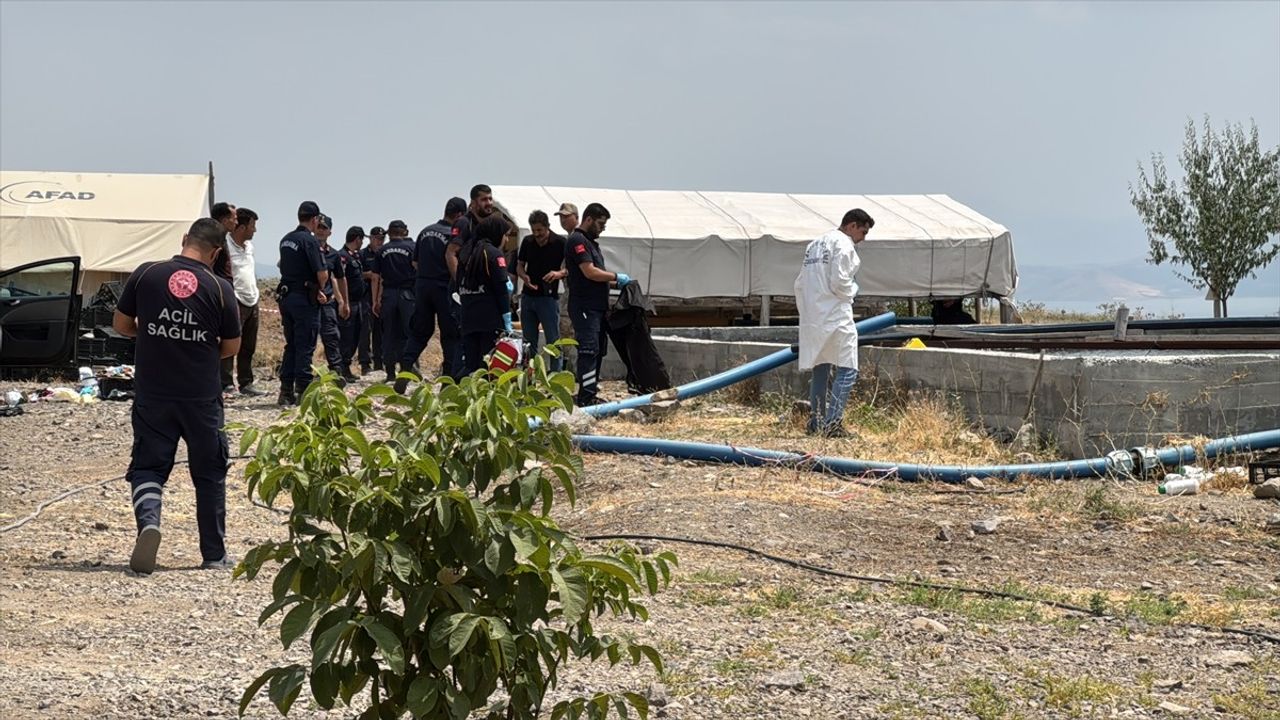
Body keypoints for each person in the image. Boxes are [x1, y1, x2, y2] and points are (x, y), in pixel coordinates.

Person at [111, 217, 241, 575]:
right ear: (215, 253)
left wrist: (155, 336)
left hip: (154, 391)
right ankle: (214, 555)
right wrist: (197, 346)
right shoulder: (219, 288)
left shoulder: (146, 273)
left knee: (149, 467)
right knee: (210, 472)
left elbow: (121, 325)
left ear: (185, 239)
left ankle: (149, 522)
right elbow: (231, 346)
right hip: (200, 396)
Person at [794, 208, 874, 438]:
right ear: (851, 226)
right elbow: (840, 281)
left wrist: (808, 311)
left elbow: (800, 283)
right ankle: (833, 423)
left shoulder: (815, 245)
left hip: (814, 316)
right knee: (848, 368)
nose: (863, 238)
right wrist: (853, 292)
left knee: (821, 366)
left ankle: (816, 422)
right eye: (863, 231)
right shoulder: (844, 245)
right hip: (835, 314)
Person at [565, 203, 629, 406]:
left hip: (597, 308)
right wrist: (616, 276)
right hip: (585, 307)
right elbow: (590, 272)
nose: (603, 228)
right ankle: (585, 397)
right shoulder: (578, 240)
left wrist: (618, 282)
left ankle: (590, 392)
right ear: (589, 219)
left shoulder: (592, 244)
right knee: (588, 350)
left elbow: (597, 276)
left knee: (598, 350)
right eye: (601, 223)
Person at [400, 197, 466, 385]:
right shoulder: (452, 235)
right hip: (444, 287)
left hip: (422, 286)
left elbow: (414, 262)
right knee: (450, 334)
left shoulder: (425, 232)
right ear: (459, 215)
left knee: (419, 331)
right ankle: (447, 380)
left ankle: (405, 367)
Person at [275, 201, 329, 406]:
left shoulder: (286, 239)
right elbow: (322, 273)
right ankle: (304, 391)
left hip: (287, 297)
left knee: (292, 345)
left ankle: (285, 389)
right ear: (315, 220)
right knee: (305, 344)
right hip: (304, 298)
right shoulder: (310, 241)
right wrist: (320, 289)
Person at [456, 215, 512, 375]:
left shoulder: (466, 252)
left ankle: (459, 393)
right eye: (506, 235)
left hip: (468, 317)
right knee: (487, 366)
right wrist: (506, 316)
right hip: (489, 320)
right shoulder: (494, 254)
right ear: (496, 233)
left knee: (470, 364)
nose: (507, 240)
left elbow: (458, 282)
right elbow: (501, 290)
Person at [219, 207, 265, 395]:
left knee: (248, 344)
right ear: (241, 227)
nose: (254, 230)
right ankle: (226, 382)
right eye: (252, 226)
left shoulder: (250, 247)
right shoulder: (225, 246)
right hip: (235, 299)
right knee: (231, 342)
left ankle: (246, 382)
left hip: (252, 298)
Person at [517, 210, 567, 370]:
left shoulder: (560, 243)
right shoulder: (527, 242)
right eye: (534, 230)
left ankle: (555, 378)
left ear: (548, 227)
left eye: (540, 230)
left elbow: (570, 268)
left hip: (548, 298)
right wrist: (524, 276)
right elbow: (519, 266)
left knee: (553, 341)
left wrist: (558, 274)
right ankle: (528, 378)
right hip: (528, 296)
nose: (537, 234)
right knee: (528, 342)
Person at [372, 220, 416, 383]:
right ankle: (408, 369)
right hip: (407, 295)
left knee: (388, 334)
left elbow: (376, 277)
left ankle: (390, 372)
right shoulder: (412, 248)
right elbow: (417, 269)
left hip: (389, 295)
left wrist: (375, 300)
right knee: (408, 333)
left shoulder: (382, 250)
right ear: (404, 232)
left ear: (389, 233)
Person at [315, 214, 352, 383]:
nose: (321, 230)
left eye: (325, 228)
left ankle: (336, 372)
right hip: (307, 301)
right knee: (304, 340)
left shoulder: (333, 254)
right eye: (319, 227)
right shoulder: (307, 247)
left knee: (332, 337)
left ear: (330, 232)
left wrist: (343, 301)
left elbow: (339, 278)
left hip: (327, 302)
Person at [446, 184, 495, 281]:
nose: (489, 203)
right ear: (473, 203)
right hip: (467, 288)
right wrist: (461, 282)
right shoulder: (464, 223)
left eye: (490, 199)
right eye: (484, 200)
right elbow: (450, 253)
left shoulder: (490, 224)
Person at [337, 226, 368, 378]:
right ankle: (342, 368)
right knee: (346, 337)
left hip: (358, 302)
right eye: (362, 239)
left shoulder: (355, 256)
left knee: (355, 335)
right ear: (357, 239)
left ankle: (346, 367)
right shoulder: (343, 256)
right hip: (349, 303)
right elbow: (339, 279)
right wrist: (343, 302)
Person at [358, 226, 386, 374]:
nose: (379, 241)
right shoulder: (363, 254)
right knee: (365, 330)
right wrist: (370, 274)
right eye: (377, 238)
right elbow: (357, 273)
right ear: (371, 239)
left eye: (382, 239)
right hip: (366, 295)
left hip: (381, 295)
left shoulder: (384, 253)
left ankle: (379, 362)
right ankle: (364, 363)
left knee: (380, 330)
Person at [209, 201, 237, 282]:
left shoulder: (223, 239)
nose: (236, 222)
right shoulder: (214, 241)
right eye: (234, 219)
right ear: (225, 221)